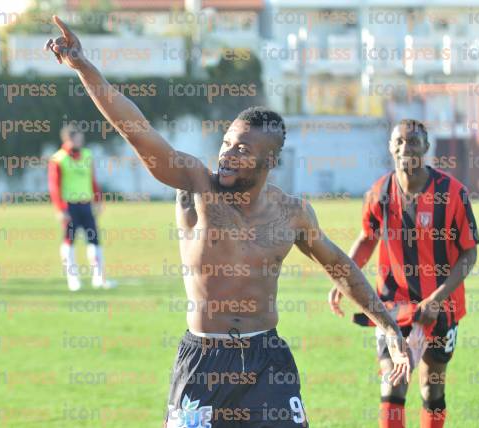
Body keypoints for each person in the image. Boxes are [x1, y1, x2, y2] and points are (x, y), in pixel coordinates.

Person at [45, 16, 411, 427]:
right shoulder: (195, 184)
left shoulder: (293, 212)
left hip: (267, 360)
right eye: (226, 143)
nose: (228, 154)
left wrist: (390, 329)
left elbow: (339, 265)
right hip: (203, 360)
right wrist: (84, 67)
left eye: (242, 148)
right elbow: (135, 129)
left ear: (269, 160)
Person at [328, 119, 479, 428]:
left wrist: (436, 300)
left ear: (426, 147)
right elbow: (367, 237)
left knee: (430, 385)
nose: (404, 147)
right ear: (389, 146)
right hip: (392, 307)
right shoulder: (380, 192)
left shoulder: (452, 194)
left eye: (412, 142)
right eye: (398, 141)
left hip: (441, 307)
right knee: (392, 382)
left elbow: (469, 253)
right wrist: (342, 278)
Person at [48, 123, 107, 291]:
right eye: (78, 137)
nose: (81, 140)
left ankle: (99, 279)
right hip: (69, 206)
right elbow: (54, 186)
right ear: (69, 139)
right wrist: (60, 209)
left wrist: (98, 200)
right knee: (69, 242)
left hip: (86, 205)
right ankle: (73, 280)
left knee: (94, 240)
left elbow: (92, 180)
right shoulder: (58, 159)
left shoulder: (87, 155)